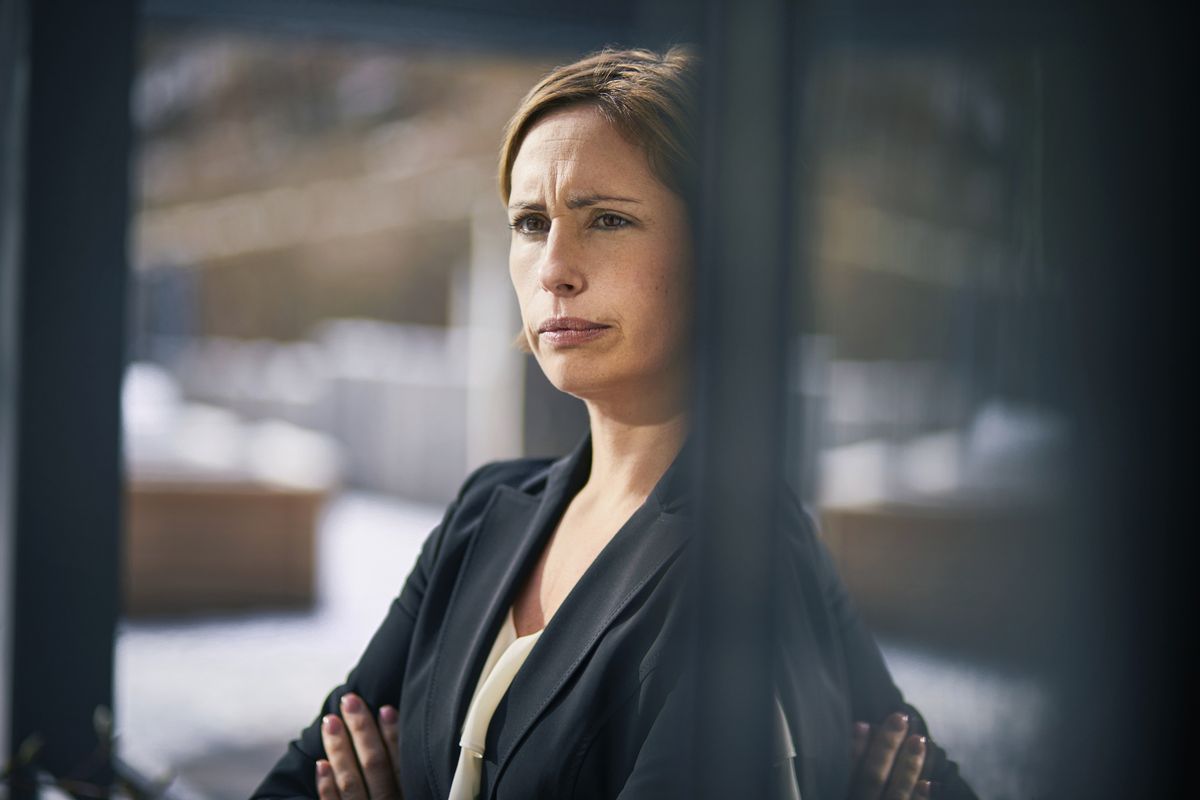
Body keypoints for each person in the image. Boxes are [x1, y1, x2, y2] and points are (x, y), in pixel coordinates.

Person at [251, 46, 977, 800]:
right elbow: (299, 778)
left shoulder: (742, 557)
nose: (554, 267)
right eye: (531, 222)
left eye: (606, 220)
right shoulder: (484, 514)